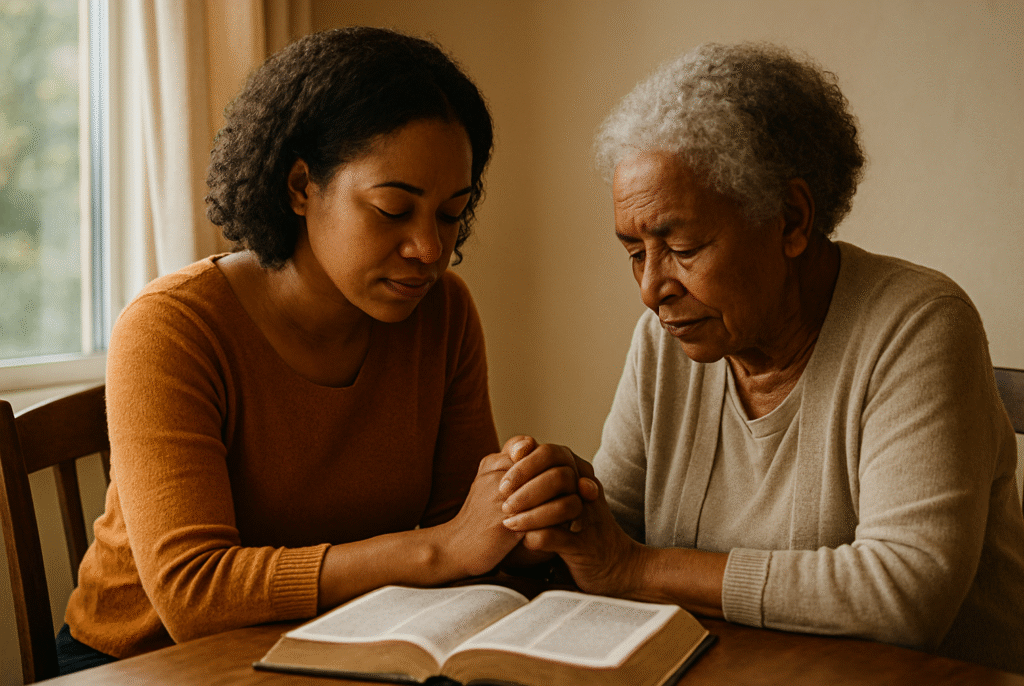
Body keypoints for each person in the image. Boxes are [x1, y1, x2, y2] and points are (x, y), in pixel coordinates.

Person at [58, 27, 578, 675]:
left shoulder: (442, 313)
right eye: (393, 209)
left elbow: (458, 525)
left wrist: (525, 511)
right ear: (302, 186)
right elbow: (194, 594)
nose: (429, 249)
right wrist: (439, 551)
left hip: (335, 646)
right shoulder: (173, 326)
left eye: (451, 214)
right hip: (150, 662)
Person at [500, 42, 1024, 674]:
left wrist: (638, 568)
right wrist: (557, 511)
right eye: (635, 251)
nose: (651, 288)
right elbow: (618, 526)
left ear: (791, 220)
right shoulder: (664, 340)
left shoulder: (919, 324)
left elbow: (904, 594)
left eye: (683, 246)